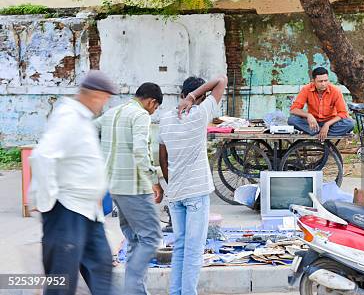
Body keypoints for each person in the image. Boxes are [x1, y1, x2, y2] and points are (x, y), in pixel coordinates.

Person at [28, 70, 118, 295]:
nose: (105, 103)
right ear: (95, 95)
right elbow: (42, 156)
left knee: (102, 268)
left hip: (88, 212)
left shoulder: (82, 118)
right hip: (66, 211)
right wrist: (47, 200)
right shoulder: (69, 117)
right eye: (105, 98)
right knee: (62, 279)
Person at [158, 74, 228, 295]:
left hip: (176, 191)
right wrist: (194, 97)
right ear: (201, 96)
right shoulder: (199, 113)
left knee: (180, 246)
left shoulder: (166, 118)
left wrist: (173, 184)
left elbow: (162, 157)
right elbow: (222, 80)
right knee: (194, 250)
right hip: (196, 191)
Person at [95, 82, 164, 295]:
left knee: (135, 238)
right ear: (151, 102)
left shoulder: (112, 113)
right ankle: (133, 288)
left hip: (114, 186)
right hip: (134, 186)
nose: (154, 111)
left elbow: (88, 129)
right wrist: (154, 180)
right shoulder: (141, 116)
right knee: (151, 238)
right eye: (156, 107)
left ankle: (136, 291)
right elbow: (141, 151)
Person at [288, 67, 354, 140]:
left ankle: (318, 132)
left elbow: (342, 113)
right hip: (313, 124)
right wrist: (308, 115)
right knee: (292, 119)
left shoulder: (335, 91)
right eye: (320, 81)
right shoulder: (306, 89)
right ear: (313, 81)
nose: (323, 84)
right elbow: (294, 109)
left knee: (349, 123)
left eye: (326, 81)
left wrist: (327, 124)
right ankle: (321, 132)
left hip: (331, 124)